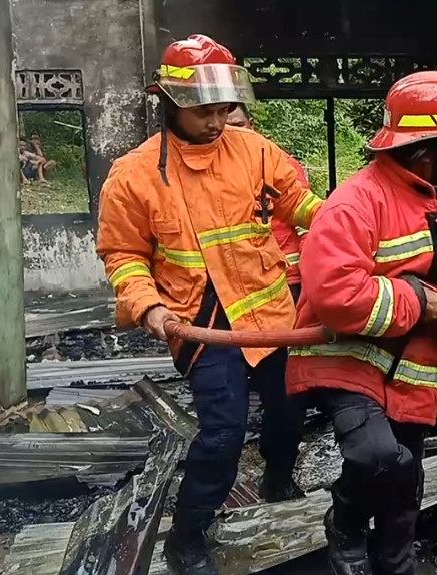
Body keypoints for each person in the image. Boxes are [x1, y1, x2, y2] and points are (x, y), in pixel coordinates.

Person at [96, 34, 325, 575]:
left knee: (290, 410)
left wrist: (353, 225)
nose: (217, 120)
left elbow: (301, 205)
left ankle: (277, 478)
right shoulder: (133, 177)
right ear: (169, 101)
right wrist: (148, 306)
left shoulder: (257, 150)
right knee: (222, 432)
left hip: (270, 314)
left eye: (223, 108)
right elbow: (123, 254)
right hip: (202, 326)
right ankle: (188, 537)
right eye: (204, 110)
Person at [286, 71, 437, 575]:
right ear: (426, 150)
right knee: (378, 458)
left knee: (404, 487)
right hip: (348, 360)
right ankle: (344, 522)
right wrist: (415, 302)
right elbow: (335, 296)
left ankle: (397, 565)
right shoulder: (355, 203)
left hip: (413, 371)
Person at [225, 104, 309, 302]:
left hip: (288, 278)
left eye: (239, 125)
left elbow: (306, 223)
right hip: (244, 282)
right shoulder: (215, 169)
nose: (233, 133)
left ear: (251, 125)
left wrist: (311, 272)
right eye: (226, 128)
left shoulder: (279, 162)